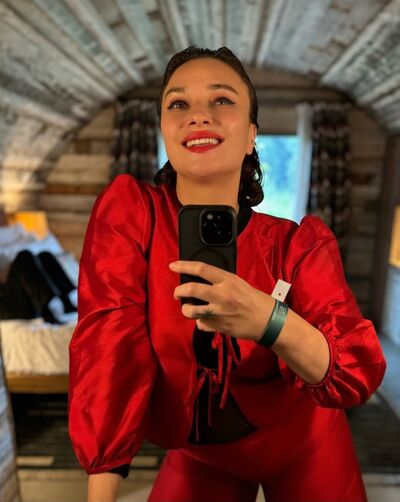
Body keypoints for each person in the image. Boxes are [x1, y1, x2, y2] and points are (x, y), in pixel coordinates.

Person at [68, 46, 387, 502]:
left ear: (252, 135)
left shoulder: (297, 245)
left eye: (221, 100)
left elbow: (356, 371)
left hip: (304, 444)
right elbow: (108, 347)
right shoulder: (131, 218)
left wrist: (270, 321)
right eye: (178, 103)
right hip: (201, 456)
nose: (198, 115)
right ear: (163, 130)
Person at [0, 250, 77, 323]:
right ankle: (46, 311)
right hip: (9, 307)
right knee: (24, 256)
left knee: (44, 256)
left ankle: (67, 303)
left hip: (14, 295)